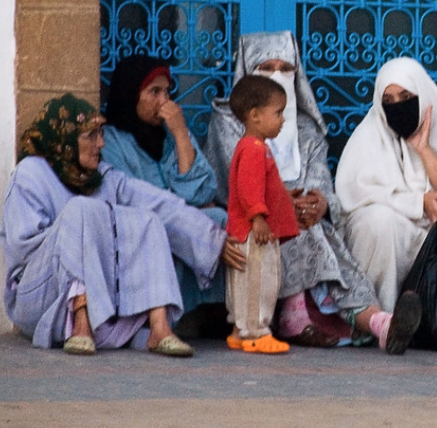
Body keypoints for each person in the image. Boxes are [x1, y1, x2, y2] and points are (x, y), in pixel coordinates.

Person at [205, 31, 420, 353]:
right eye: (267, 67)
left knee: (313, 227)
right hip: (249, 223)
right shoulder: (229, 124)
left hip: (296, 219)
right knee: (306, 232)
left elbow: (321, 182)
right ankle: (343, 320)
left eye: (286, 68)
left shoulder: (307, 129)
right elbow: (232, 185)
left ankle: (377, 323)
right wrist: (280, 206)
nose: (278, 75)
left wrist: (318, 203)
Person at [1, 93, 244, 357]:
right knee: (80, 211)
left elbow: (159, 204)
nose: (101, 143)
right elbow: (22, 249)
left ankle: (159, 329)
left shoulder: (101, 177)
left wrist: (211, 239)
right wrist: (80, 239)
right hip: (38, 295)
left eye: (101, 133)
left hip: (98, 292)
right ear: (66, 141)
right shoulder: (30, 175)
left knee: (148, 218)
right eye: (91, 136)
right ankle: (80, 323)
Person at [335, 57, 437, 323]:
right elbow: (355, 196)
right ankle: (381, 323)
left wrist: (424, 150)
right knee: (377, 220)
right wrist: (417, 203)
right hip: (397, 229)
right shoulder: (369, 136)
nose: (398, 106)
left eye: (406, 96)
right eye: (389, 101)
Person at [101, 54, 227, 319]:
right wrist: (184, 204)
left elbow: (203, 192)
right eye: (154, 92)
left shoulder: (172, 130)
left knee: (221, 218)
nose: (164, 101)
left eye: (167, 91)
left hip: (180, 219)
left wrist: (181, 133)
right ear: (131, 94)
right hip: (143, 226)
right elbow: (129, 197)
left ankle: (216, 314)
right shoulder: (111, 141)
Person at [224, 75, 300, 353]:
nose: (282, 120)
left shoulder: (254, 147)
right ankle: (255, 332)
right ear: (255, 116)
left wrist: (284, 198)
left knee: (243, 284)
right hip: (253, 233)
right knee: (259, 281)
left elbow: (261, 186)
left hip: (247, 230)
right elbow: (249, 188)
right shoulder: (254, 149)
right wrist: (258, 217)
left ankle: (238, 331)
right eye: (278, 113)